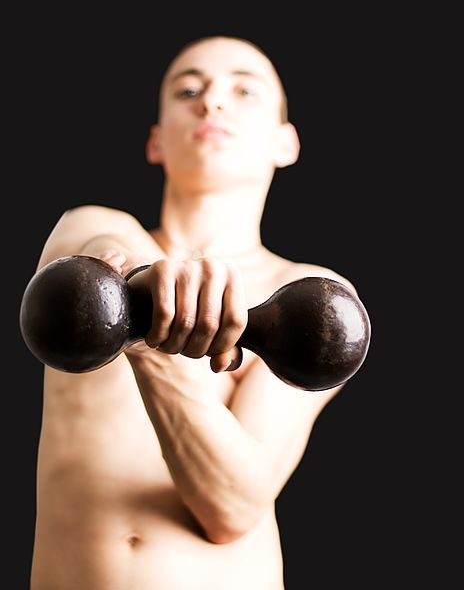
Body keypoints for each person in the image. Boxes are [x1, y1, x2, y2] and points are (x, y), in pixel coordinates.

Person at [30, 35, 357, 590]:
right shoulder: (87, 229)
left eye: (243, 90)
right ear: (156, 141)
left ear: (287, 142)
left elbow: (231, 507)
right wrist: (140, 281)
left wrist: (150, 344)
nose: (211, 102)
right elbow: (102, 247)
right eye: (188, 89)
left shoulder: (312, 298)